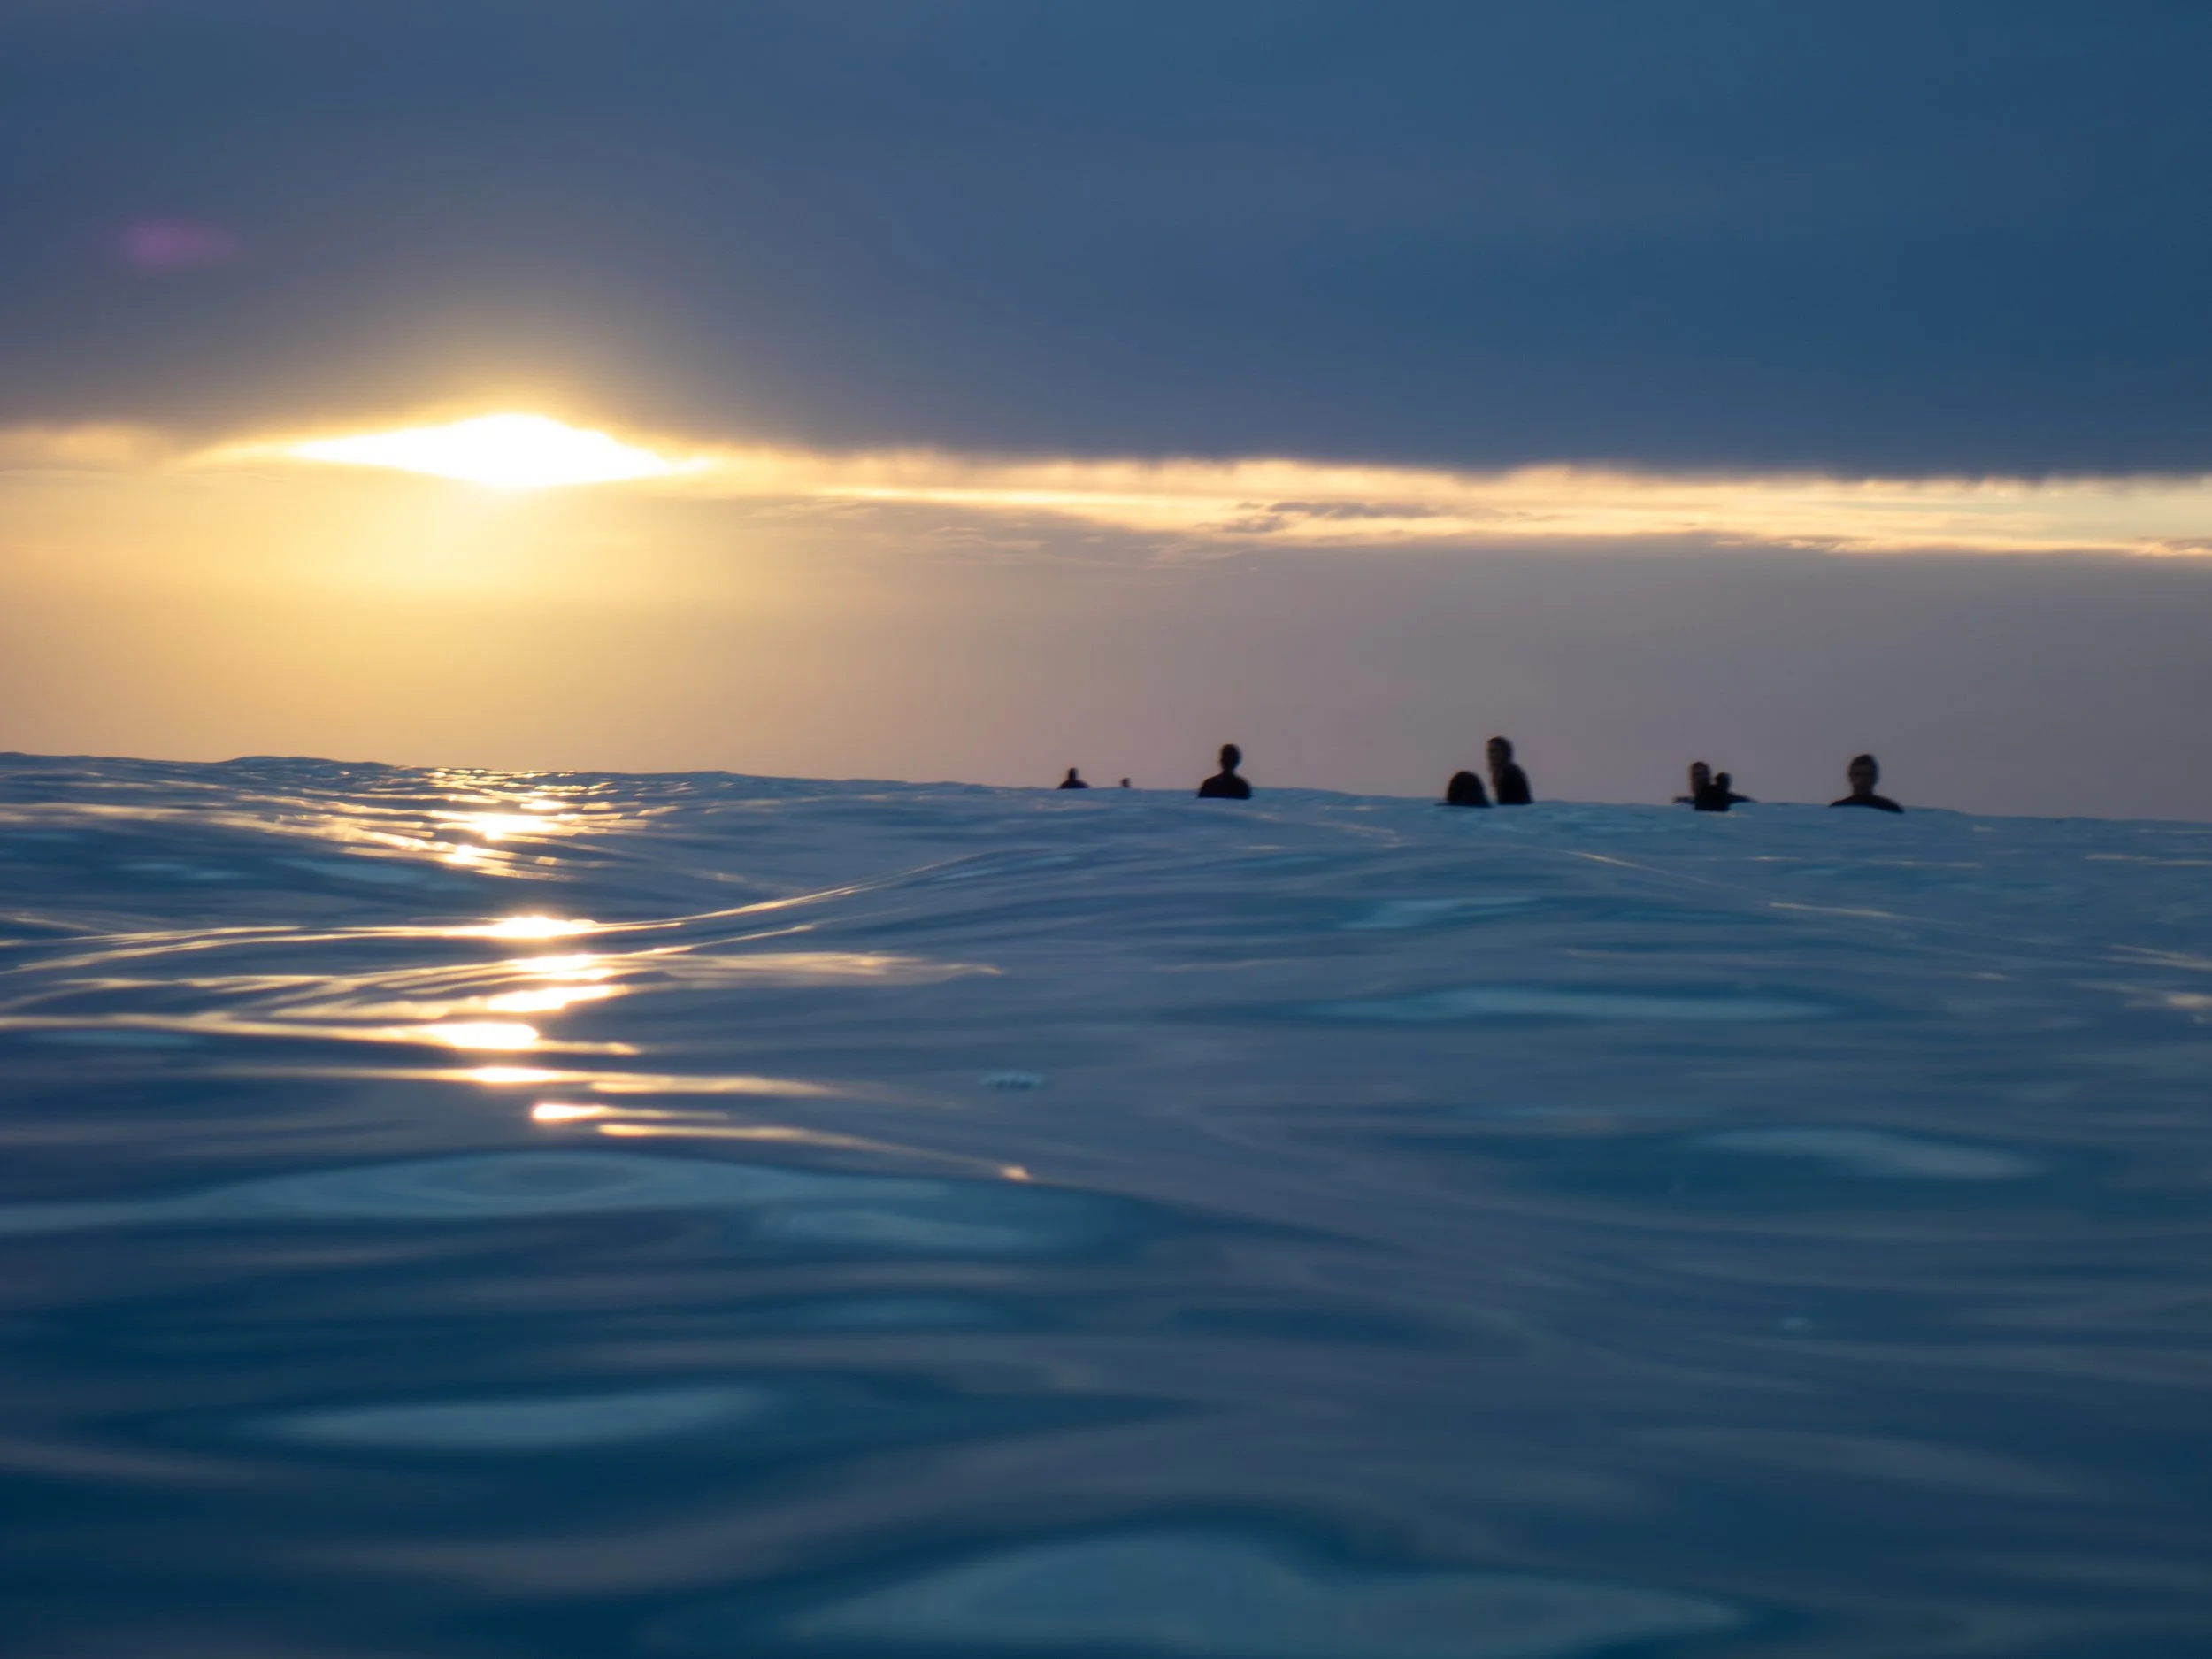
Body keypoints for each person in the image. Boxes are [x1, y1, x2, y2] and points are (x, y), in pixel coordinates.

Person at [1831, 753, 1903, 813]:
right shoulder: (1837, 809)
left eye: (1868, 774)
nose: (1863, 779)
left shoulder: (1890, 808)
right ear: (1850, 776)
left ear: (1875, 777)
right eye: (1858, 774)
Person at [1487, 736, 1532, 805]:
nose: (1490, 755)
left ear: (1504, 753)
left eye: (1494, 751)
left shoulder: (1511, 773)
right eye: (1490, 752)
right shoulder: (1500, 773)